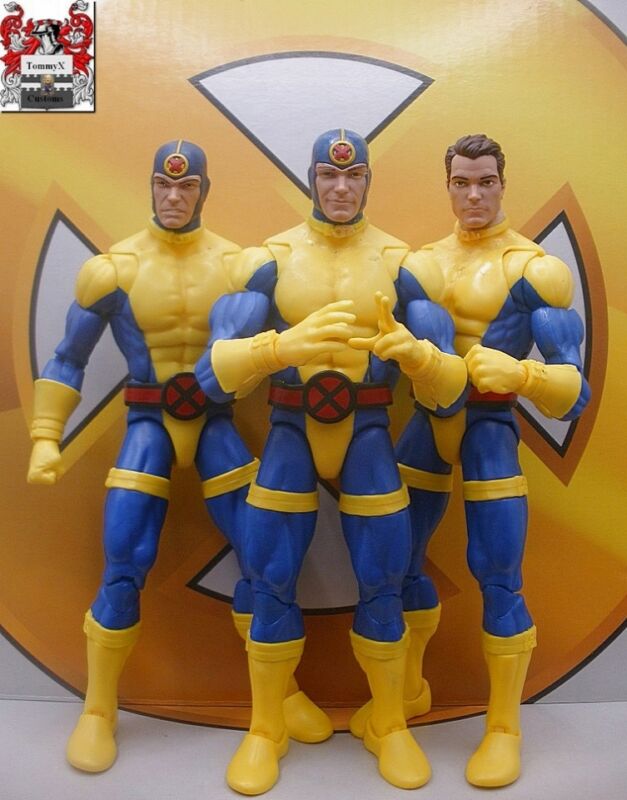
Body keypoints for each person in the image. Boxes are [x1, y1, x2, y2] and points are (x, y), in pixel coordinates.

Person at [26, 139, 327, 773]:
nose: (173, 196)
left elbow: (283, 337)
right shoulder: (114, 268)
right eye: (164, 186)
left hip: (216, 423)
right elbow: (68, 356)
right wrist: (46, 435)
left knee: (264, 558)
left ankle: (280, 693)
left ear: (203, 191)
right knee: (124, 558)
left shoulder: (239, 266)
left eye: (186, 187)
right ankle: (98, 708)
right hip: (149, 420)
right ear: (150, 187)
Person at [195, 128, 467, 794]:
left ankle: (390, 723)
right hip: (290, 426)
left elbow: (450, 391)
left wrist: (418, 357)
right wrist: (278, 349)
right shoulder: (270, 259)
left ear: (368, 178)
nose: (340, 187)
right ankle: (266, 728)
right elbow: (211, 378)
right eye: (328, 174)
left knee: (383, 579)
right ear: (311, 179)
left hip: (369, 428)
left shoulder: (404, 263)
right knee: (269, 576)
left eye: (353, 175)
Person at [392, 133, 590, 787]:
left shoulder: (534, 270)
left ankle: (504, 726)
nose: (473, 195)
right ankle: (409, 690)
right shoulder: (420, 264)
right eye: (461, 182)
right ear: (447, 185)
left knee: (498, 575)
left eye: (485, 182)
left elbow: (574, 393)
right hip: (427, 423)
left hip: (489, 427)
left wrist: (523, 376)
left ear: (503, 183)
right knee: (395, 561)